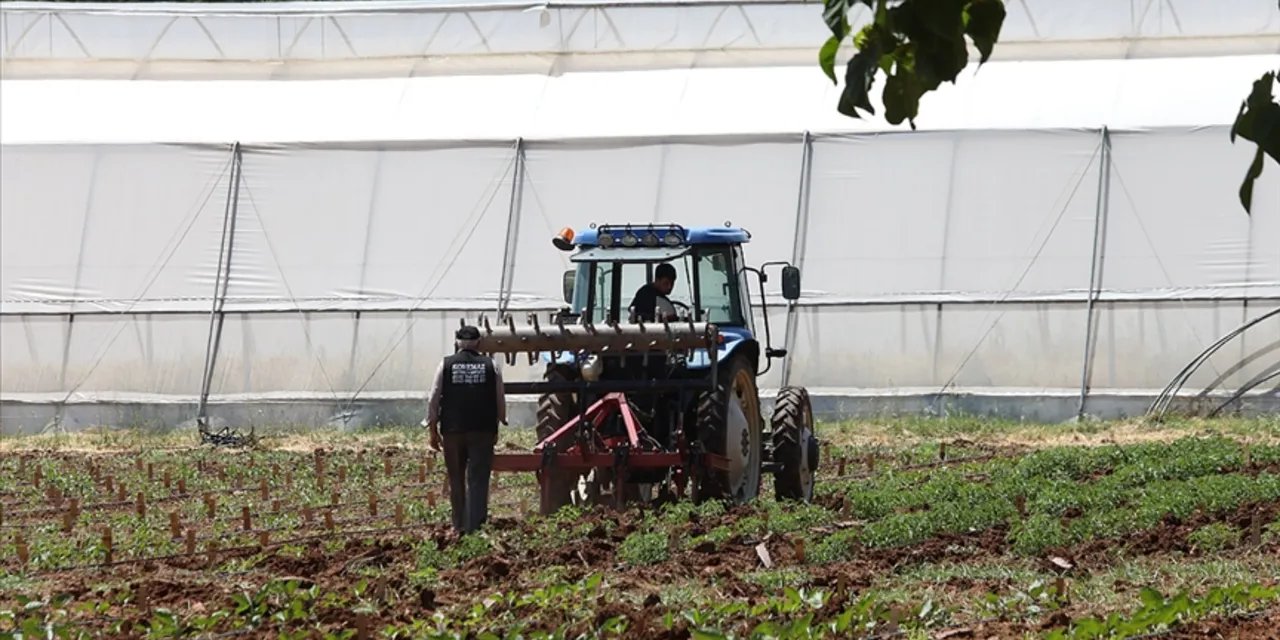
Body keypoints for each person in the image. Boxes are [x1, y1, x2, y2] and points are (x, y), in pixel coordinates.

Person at [424, 325, 506, 535]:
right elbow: (499, 397)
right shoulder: (491, 365)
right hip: (482, 430)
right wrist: (499, 423)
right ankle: (475, 526)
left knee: (456, 477)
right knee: (478, 478)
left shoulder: (445, 364)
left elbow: (434, 397)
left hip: (453, 431)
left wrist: (432, 429)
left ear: (457, 342)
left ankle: (458, 524)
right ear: (479, 343)